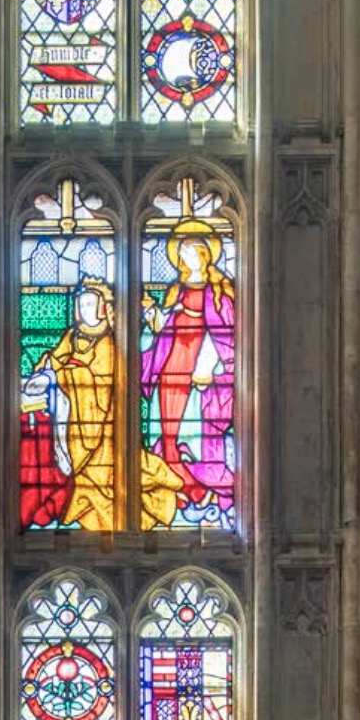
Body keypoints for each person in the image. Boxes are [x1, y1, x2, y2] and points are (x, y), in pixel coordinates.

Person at [140, 219, 237, 522]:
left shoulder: (220, 291)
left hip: (198, 359)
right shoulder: (175, 290)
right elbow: (163, 326)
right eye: (183, 254)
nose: (187, 259)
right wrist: (153, 316)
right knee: (167, 425)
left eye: (192, 253)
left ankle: (199, 488)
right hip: (172, 359)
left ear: (205, 255)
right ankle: (175, 486)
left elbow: (227, 333)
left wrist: (211, 364)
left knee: (189, 427)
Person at [21, 277, 118, 531]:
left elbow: (102, 380)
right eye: (82, 305)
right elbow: (55, 359)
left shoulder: (107, 340)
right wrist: (48, 369)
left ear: (100, 307)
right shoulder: (72, 334)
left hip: (95, 416)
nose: (85, 309)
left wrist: (61, 374)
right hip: (69, 403)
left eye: (90, 304)